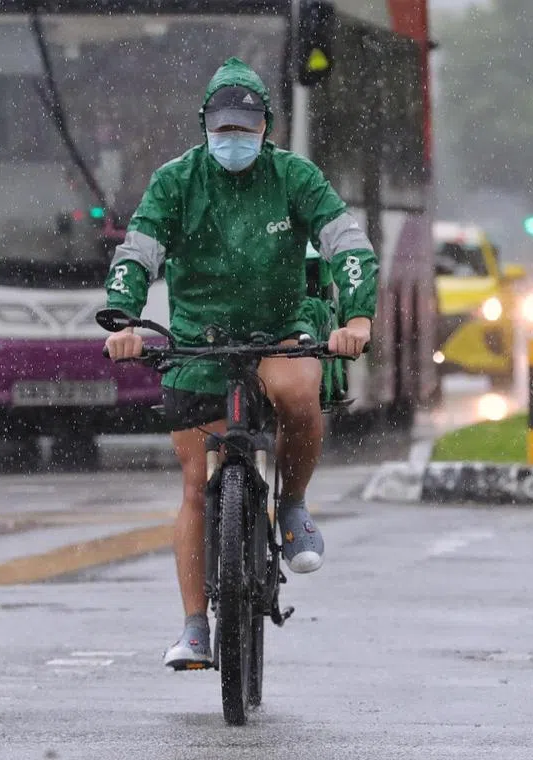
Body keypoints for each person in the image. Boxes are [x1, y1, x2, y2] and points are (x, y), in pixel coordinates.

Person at [102, 58, 377, 668]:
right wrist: (122, 318)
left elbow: (348, 245)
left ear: (266, 127)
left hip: (282, 325)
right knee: (196, 486)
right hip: (200, 336)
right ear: (205, 126)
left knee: (299, 389)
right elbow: (137, 253)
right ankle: (195, 626)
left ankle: (295, 504)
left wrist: (357, 319)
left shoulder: (295, 177)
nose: (234, 140)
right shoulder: (175, 182)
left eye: (246, 128)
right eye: (223, 129)